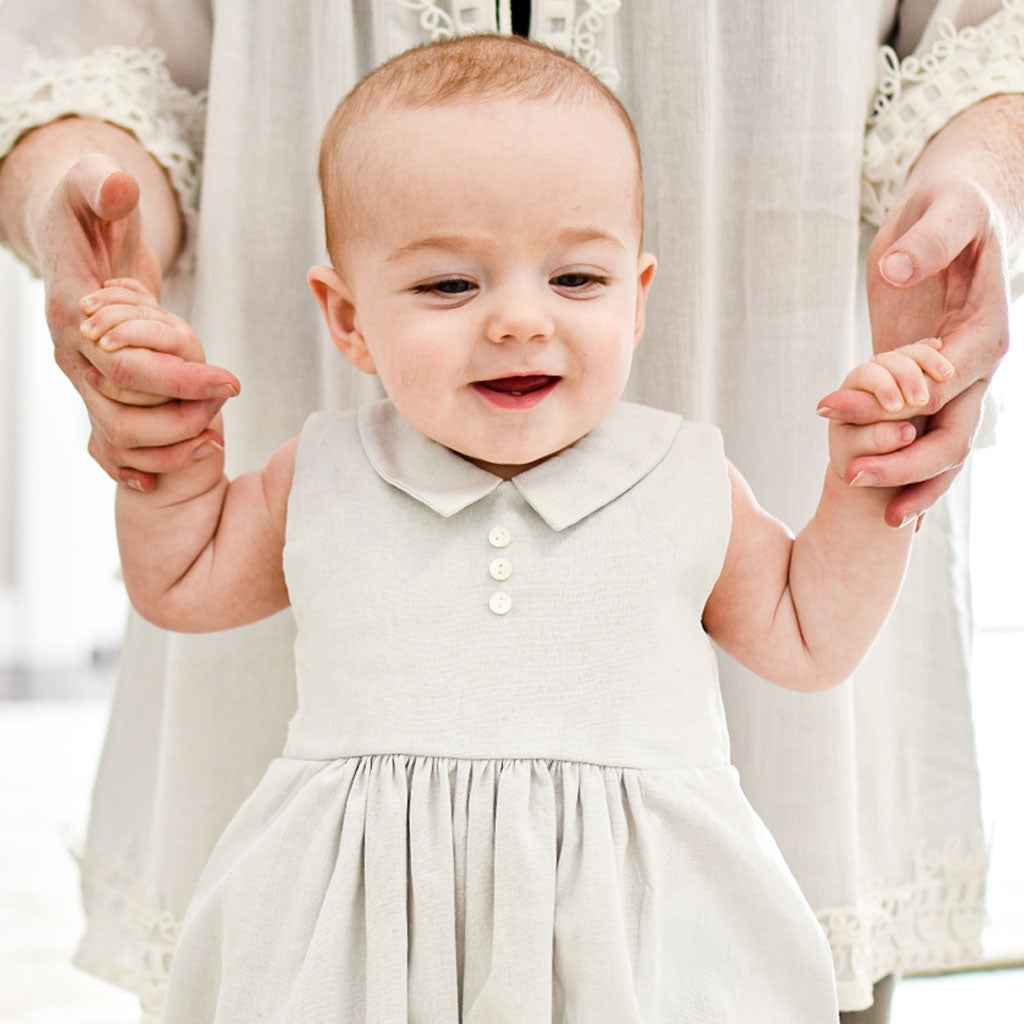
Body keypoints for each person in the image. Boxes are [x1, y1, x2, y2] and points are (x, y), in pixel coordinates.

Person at [0, 4, 1020, 1021]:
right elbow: (180, 585)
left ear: (636, 297)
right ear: (348, 319)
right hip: (360, 948)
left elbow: (809, 638)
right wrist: (171, 465)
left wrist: (869, 483)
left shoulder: (681, 476)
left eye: (576, 276)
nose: (520, 318)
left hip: (634, 952)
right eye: (450, 283)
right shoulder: (323, 470)